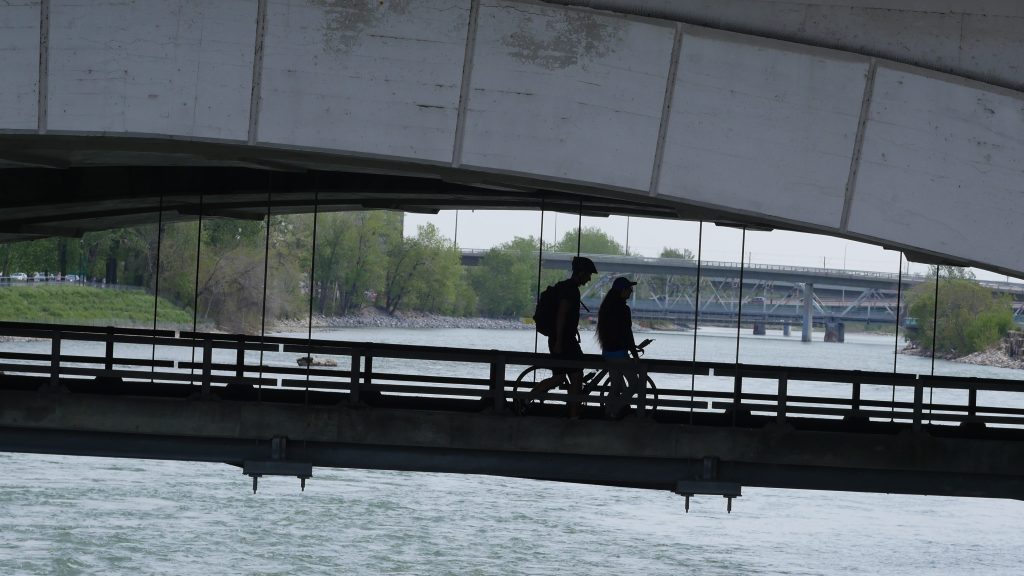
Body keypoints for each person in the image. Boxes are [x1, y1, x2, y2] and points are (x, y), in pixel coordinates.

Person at [518, 256, 597, 417]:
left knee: (560, 377)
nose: (589, 278)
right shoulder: (570, 290)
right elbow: (562, 314)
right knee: (576, 375)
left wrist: (567, 332)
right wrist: (560, 341)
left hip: (559, 338)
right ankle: (574, 415)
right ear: (581, 273)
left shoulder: (564, 287)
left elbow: (563, 317)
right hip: (564, 341)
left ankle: (526, 400)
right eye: (588, 274)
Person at [596, 276, 640, 417]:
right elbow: (627, 333)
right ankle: (616, 409)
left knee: (615, 386)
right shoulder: (623, 309)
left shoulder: (606, 308)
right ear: (622, 290)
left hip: (608, 352)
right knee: (634, 385)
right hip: (620, 353)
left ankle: (609, 412)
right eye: (629, 289)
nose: (631, 292)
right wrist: (635, 354)